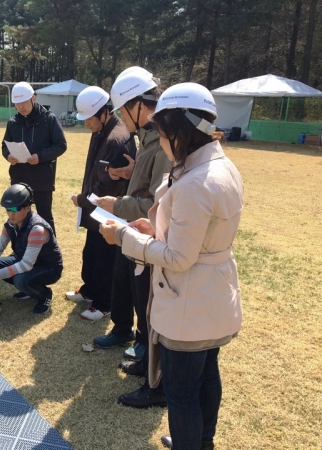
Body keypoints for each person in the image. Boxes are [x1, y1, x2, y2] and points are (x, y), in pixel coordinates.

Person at [100, 82, 243, 450]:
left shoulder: (196, 182)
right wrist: (156, 229)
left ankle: (189, 442)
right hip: (213, 295)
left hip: (189, 301)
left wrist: (127, 239)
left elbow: (180, 257)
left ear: (179, 133)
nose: (161, 142)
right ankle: (200, 441)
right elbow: (196, 235)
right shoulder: (222, 166)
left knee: (181, 392)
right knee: (207, 373)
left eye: (163, 135)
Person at [92, 68, 171, 408]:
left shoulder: (164, 141)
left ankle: (157, 380)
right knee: (140, 302)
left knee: (152, 310)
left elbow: (158, 202)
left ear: (140, 105)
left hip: (150, 235)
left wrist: (118, 203)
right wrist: (128, 173)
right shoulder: (150, 139)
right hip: (138, 231)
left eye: (124, 111)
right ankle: (147, 365)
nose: (123, 118)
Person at [66, 86, 135, 323]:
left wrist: (82, 199)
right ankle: (90, 290)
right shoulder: (102, 131)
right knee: (92, 252)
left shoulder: (116, 139)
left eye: (88, 118)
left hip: (107, 210)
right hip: (95, 208)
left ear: (104, 112)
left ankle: (104, 303)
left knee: (106, 257)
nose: (86, 123)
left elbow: (108, 184)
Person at [0, 183, 63, 314]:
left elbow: (26, 264)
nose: (10, 214)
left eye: (15, 209)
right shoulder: (11, 223)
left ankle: (44, 294)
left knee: (20, 280)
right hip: (26, 261)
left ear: (28, 207)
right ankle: (28, 289)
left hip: (48, 267)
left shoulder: (37, 229)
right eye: (7, 209)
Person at [1, 82, 67, 234]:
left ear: (34, 98)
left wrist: (40, 157)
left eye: (24, 102)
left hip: (42, 178)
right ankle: (20, 250)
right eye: (17, 103)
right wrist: (8, 155)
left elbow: (61, 145)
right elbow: (4, 146)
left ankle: (49, 252)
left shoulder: (49, 119)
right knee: (18, 217)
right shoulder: (13, 123)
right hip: (19, 178)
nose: (21, 106)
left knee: (45, 217)